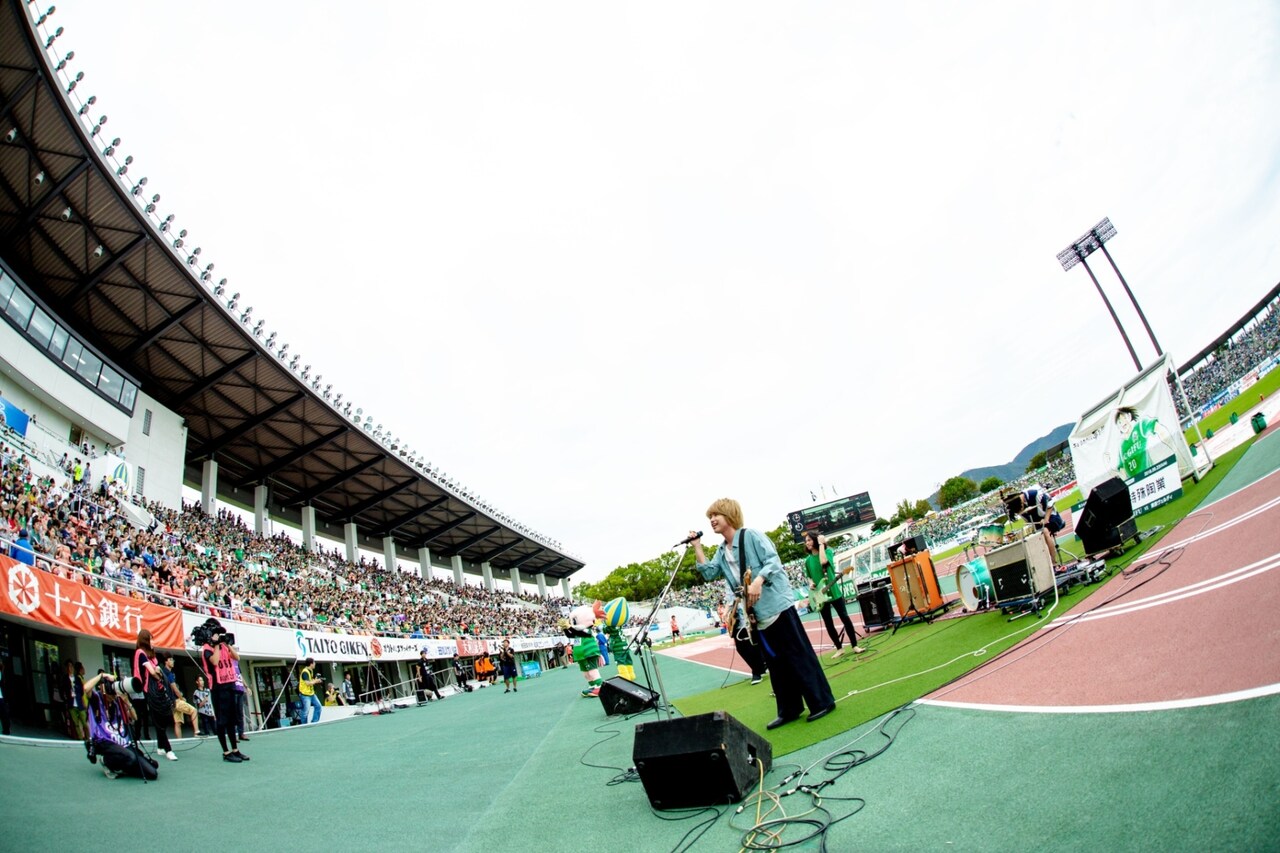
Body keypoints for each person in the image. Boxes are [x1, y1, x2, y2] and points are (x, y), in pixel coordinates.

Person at [691, 498, 836, 731]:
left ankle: (822, 701)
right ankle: (789, 709)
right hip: (755, 614)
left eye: (716, 515)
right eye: (710, 517)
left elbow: (774, 561)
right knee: (775, 662)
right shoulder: (721, 551)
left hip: (776, 605)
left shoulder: (752, 536)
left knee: (798, 654)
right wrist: (697, 546)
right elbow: (709, 573)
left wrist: (758, 580)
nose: (712, 520)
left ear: (729, 515)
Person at [803, 532, 865, 660]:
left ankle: (854, 645)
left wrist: (821, 545)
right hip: (820, 596)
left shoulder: (828, 552)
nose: (807, 543)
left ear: (815, 540)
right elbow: (808, 576)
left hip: (834, 592)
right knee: (828, 623)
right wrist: (811, 583)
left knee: (845, 618)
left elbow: (823, 561)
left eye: (809, 540)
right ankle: (839, 648)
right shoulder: (807, 561)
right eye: (806, 541)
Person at [199, 619, 249, 762]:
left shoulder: (224, 646)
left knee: (232, 719)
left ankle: (235, 749)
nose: (218, 636)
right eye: (215, 634)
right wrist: (215, 645)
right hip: (218, 688)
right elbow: (214, 661)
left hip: (230, 684)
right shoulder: (207, 649)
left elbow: (237, 657)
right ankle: (226, 752)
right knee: (222, 721)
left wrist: (227, 644)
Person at [133, 630, 177, 760]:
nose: (153, 642)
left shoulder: (152, 656)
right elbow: (153, 672)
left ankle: (160, 747)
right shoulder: (140, 653)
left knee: (161, 717)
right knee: (154, 720)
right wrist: (157, 671)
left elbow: (158, 671)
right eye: (151, 639)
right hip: (146, 691)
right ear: (145, 640)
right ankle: (168, 749)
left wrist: (158, 671)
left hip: (156, 691)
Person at [163, 655, 198, 740]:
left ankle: (179, 740)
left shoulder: (164, 673)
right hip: (176, 700)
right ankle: (197, 732)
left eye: (173, 660)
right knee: (194, 710)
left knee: (178, 722)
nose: (173, 661)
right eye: (170, 660)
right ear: (166, 661)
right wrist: (182, 698)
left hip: (170, 701)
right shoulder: (169, 674)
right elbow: (175, 688)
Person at [66, 660, 88, 740]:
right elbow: (62, 690)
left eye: (71, 666)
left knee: (85, 723)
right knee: (76, 724)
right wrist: (65, 699)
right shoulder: (65, 679)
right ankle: (80, 739)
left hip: (79, 703)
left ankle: (88, 738)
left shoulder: (77, 678)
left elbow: (82, 691)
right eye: (68, 666)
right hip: (71, 704)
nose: (70, 668)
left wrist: (83, 702)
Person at [297, 657, 322, 724]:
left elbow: (311, 681)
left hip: (311, 693)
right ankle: (304, 725)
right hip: (305, 694)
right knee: (306, 711)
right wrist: (316, 681)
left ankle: (314, 722)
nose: (315, 664)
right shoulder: (305, 672)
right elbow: (308, 683)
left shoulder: (310, 671)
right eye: (314, 663)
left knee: (318, 706)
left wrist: (316, 680)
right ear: (311, 664)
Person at [0, 657, 11, 735]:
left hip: (1, 697)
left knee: (4, 713)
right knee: (4, 713)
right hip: (1, 697)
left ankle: (6, 730)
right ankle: (6, 730)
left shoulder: (2, 673)